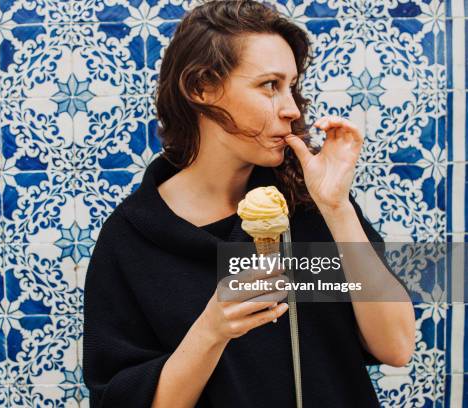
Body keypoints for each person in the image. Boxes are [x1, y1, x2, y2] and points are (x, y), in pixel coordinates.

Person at [83, 1, 416, 407]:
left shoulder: (308, 206)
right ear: (201, 88)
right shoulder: (132, 240)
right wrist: (211, 330)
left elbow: (396, 348)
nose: (292, 109)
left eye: (291, 85)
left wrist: (337, 209)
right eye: (269, 85)